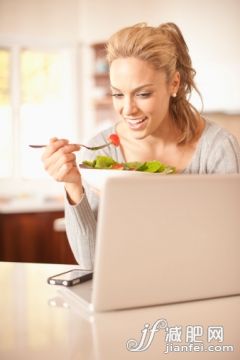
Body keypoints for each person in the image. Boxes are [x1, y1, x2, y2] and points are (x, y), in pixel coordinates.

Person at [42, 22, 240, 269]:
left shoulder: (217, 148)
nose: (127, 109)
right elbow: (91, 261)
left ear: (174, 84)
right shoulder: (102, 149)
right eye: (117, 94)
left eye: (143, 94)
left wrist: (136, 204)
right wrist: (73, 184)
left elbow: (227, 251)